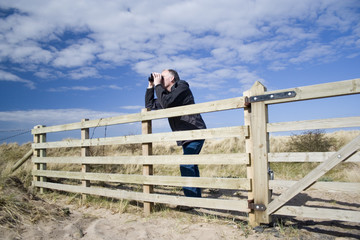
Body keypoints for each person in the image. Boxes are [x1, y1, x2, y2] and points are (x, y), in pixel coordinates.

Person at [145, 69, 206, 198]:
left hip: (195, 132)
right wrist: (151, 86)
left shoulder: (182, 86)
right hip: (184, 136)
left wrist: (157, 85)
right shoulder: (166, 96)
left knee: (186, 164)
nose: (160, 79)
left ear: (172, 78)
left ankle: (191, 200)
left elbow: (167, 103)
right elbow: (150, 105)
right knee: (191, 165)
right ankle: (196, 198)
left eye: (163, 77)